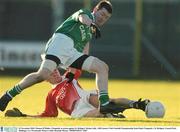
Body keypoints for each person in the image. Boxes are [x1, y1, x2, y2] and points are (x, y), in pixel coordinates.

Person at [0, 0, 116, 114]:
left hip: (71, 52)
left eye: (106, 17)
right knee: (41, 75)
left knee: (102, 67)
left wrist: (73, 69)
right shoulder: (85, 13)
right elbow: (83, 19)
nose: (103, 18)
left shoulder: (91, 30)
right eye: (102, 14)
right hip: (60, 42)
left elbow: (83, 51)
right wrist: (91, 23)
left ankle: (104, 104)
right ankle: (9, 94)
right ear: (95, 9)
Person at [4, 69, 150, 118]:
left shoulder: (68, 75)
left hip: (85, 96)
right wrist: (25, 116)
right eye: (49, 73)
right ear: (44, 79)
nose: (53, 72)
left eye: (54, 69)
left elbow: (81, 57)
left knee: (103, 101)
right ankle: (111, 114)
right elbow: (48, 115)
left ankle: (136, 104)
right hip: (77, 110)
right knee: (96, 113)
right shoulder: (51, 95)